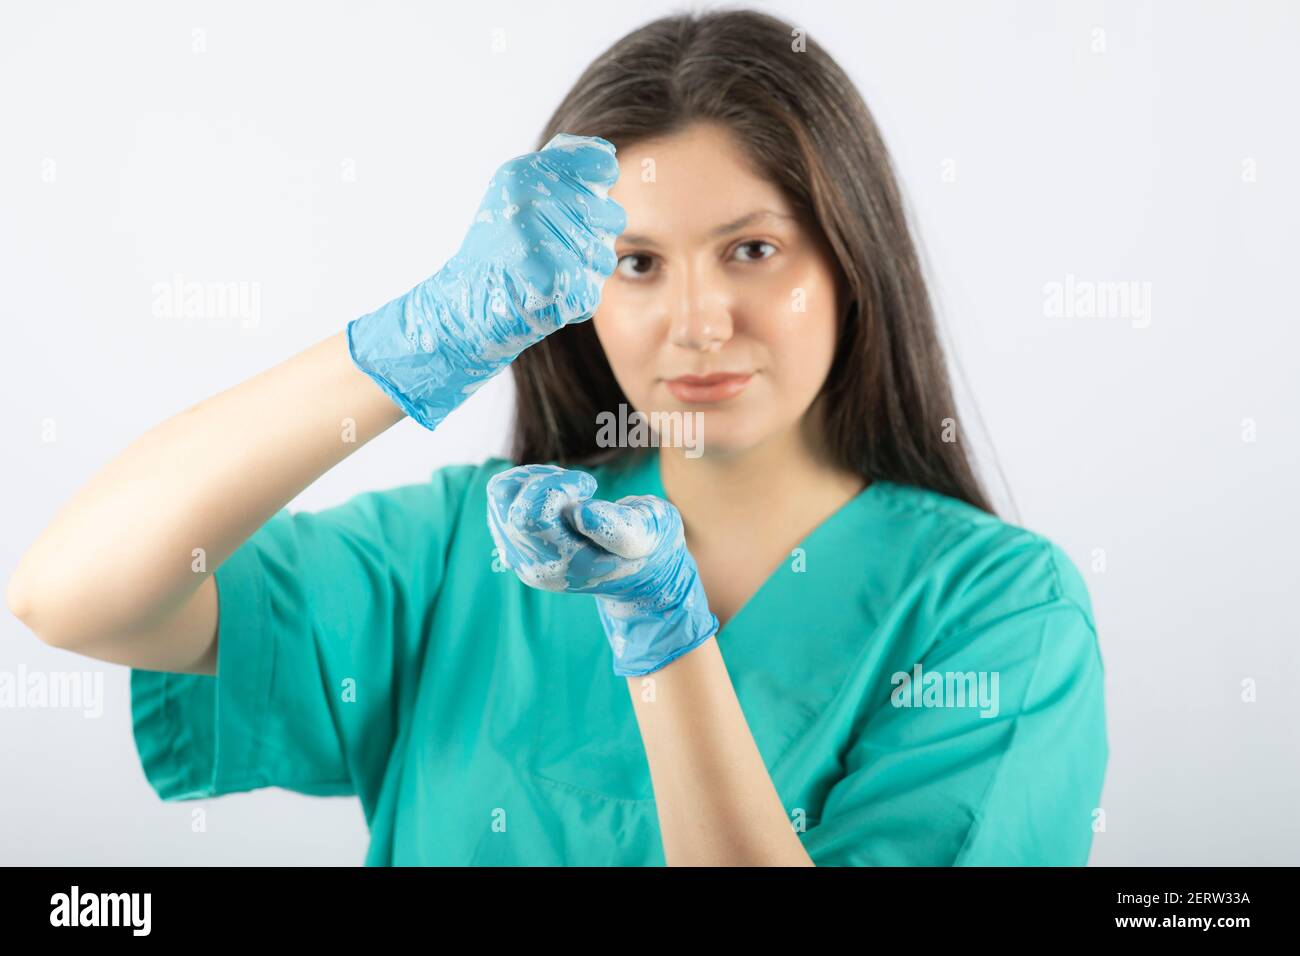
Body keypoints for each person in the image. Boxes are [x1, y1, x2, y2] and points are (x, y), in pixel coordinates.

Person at [6, 9, 1107, 866]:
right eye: (636, 262)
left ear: (849, 260)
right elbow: (73, 591)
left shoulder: (997, 610)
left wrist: (664, 639)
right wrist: (408, 346)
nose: (696, 321)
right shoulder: (459, 550)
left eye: (752, 249)